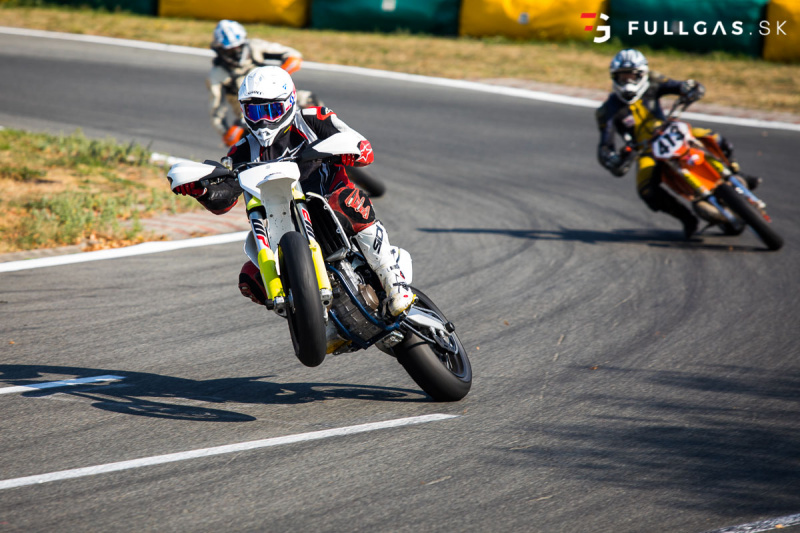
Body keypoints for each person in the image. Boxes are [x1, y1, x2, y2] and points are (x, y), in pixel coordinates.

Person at [176, 66, 415, 317]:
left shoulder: (314, 119)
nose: (263, 121)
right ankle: (310, 320)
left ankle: (394, 280)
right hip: (283, 223)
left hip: (330, 207)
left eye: (271, 110)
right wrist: (201, 191)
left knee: (347, 200)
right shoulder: (242, 151)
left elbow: (363, 148)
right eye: (255, 112)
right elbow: (225, 200)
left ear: (289, 102)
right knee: (250, 278)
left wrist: (345, 151)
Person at [595, 49, 759, 239]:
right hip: (646, 150)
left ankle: (736, 172)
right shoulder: (607, 110)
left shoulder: (654, 81)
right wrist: (612, 158)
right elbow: (605, 145)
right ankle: (687, 219)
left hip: (671, 131)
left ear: (642, 74)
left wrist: (691, 89)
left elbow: (679, 85)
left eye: (632, 76)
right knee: (646, 190)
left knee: (712, 137)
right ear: (614, 77)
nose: (628, 82)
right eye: (622, 77)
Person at [208, 19, 320, 147]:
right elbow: (216, 110)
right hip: (249, 116)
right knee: (237, 139)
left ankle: (320, 137)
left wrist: (278, 77)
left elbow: (294, 56)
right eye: (230, 50)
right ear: (220, 49)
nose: (235, 53)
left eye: (238, 47)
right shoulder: (216, 74)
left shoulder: (255, 47)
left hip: (280, 97)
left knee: (308, 98)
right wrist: (226, 132)